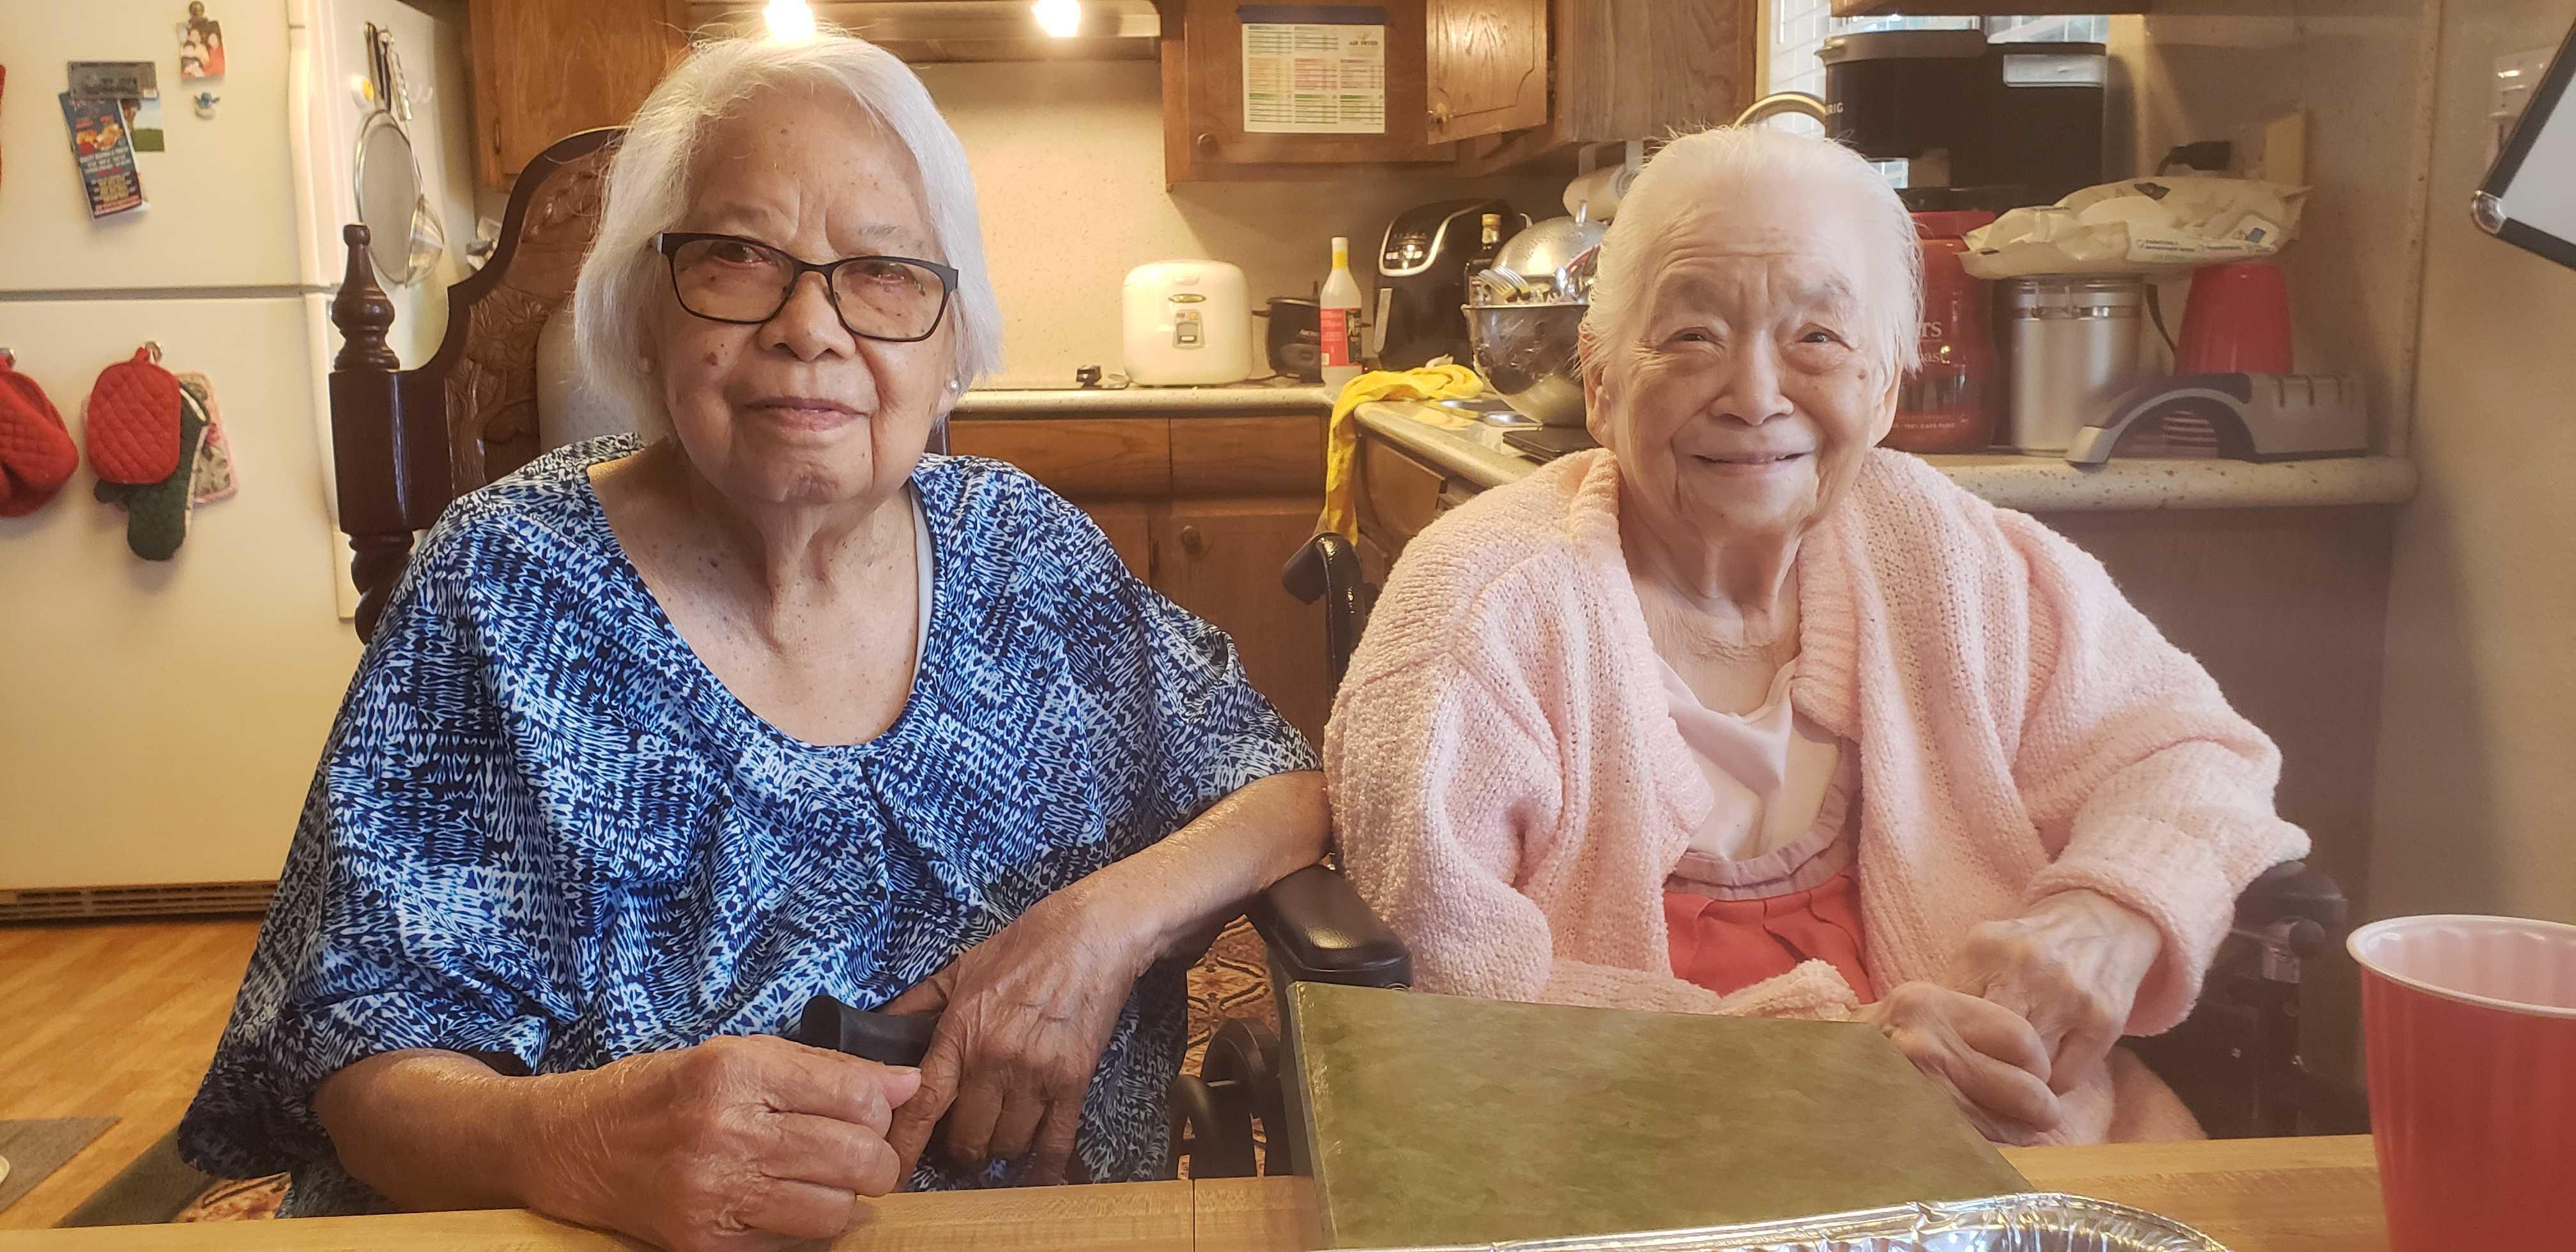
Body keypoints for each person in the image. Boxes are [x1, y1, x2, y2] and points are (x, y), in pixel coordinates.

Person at [178, 32, 1326, 1248]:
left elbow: (1285, 788)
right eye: (737, 258)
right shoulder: (503, 580)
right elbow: (356, 1070)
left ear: (951, 345)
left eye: (881, 272)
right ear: (643, 316)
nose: (810, 327)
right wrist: (576, 1138)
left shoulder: (1028, 556)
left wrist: (1098, 928)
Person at [1326, 126, 2309, 1147]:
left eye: (1819, 340)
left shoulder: (1944, 552)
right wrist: (1835, 1066)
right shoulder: (1479, 608)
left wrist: (2109, 913)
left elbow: (2194, 753)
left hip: (2011, 1153)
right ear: (1602, 377)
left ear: (1885, 388)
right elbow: (1438, 998)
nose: (1754, 397)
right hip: (1624, 1167)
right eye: (1692, 335)